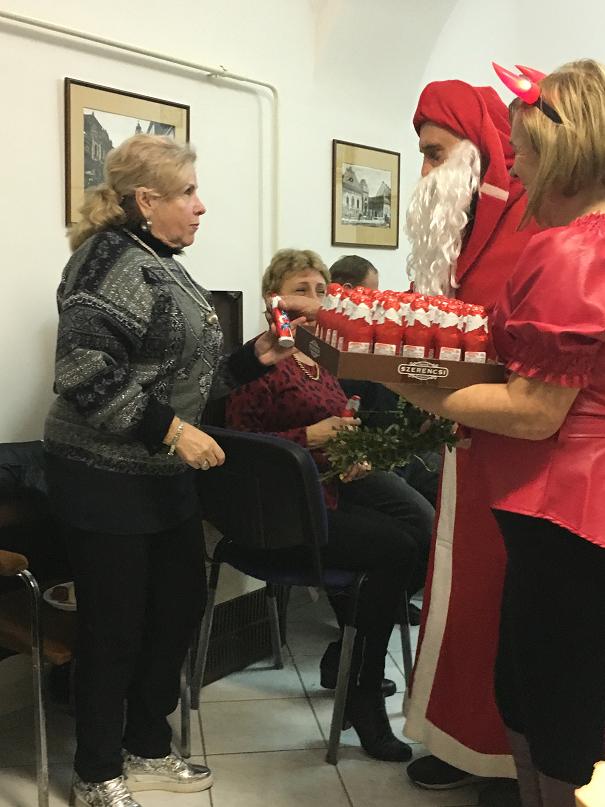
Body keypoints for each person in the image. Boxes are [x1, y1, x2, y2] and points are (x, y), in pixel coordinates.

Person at [43, 134, 311, 807]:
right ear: (146, 199)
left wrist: (254, 358)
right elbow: (82, 373)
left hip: (161, 481)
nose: (200, 205)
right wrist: (172, 431)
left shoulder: (160, 261)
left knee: (175, 611)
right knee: (115, 628)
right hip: (102, 479)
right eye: (188, 192)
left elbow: (184, 380)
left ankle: (146, 744)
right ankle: (96, 772)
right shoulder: (106, 261)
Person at [389, 58, 605, 807]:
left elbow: (534, 410)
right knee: (534, 689)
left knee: (547, 705)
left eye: (524, 151)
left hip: (566, 506)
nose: (512, 167)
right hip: (568, 506)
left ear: (563, 152)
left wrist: (402, 380)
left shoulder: (573, 249)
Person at [226, 248, 434, 763]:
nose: (313, 301)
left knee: (417, 536)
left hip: (331, 489)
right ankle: (362, 694)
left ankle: (352, 667)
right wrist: (311, 436)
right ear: (273, 298)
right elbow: (239, 449)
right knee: (395, 549)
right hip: (283, 512)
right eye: (301, 290)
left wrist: (353, 449)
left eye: (321, 291)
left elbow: (344, 414)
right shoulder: (258, 363)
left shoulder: (318, 357)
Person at [401, 79, 540, 792]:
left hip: (528, 459)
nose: (424, 171)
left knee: (505, 606)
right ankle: (458, 737)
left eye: (434, 153)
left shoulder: (533, 228)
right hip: (471, 446)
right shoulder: (471, 229)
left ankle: (506, 756)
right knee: (459, 594)